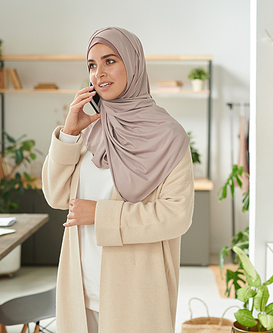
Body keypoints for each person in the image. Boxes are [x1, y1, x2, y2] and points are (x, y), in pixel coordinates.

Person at [42, 27, 195, 333]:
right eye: (92, 65)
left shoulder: (168, 135)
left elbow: (177, 216)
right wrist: (69, 134)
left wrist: (101, 215)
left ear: (133, 64)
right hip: (80, 290)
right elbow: (56, 197)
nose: (99, 73)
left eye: (110, 60)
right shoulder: (90, 131)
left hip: (135, 293)